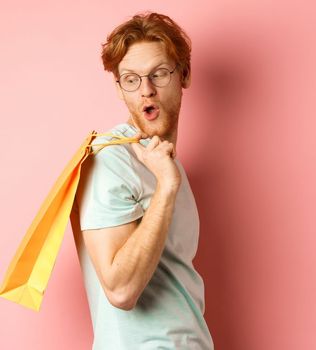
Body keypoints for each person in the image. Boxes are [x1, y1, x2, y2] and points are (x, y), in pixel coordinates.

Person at [71, 11, 214, 349]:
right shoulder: (111, 159)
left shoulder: (167, 164)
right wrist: (166, 188)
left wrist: (168, 179)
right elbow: (120, 289)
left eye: (159, 74)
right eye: (131, 79)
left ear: (185, 75)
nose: (146, 90)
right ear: (119, 89)